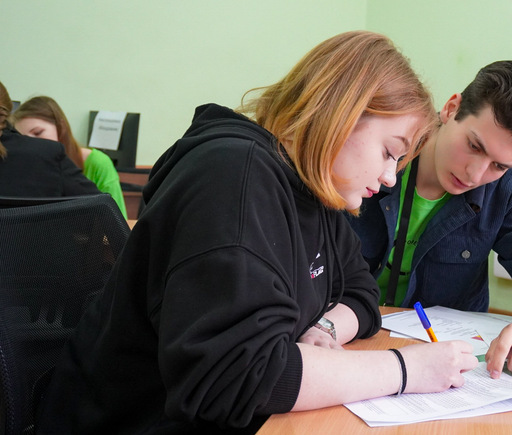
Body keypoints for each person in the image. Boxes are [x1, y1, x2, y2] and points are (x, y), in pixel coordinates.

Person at [35, 31, 479, 434]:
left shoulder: (315, 191)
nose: (389, 177)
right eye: (389, 152)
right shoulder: (235, 178)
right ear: (342, 113)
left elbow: (360, 291)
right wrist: (405, 369)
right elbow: (236, 378)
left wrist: (324, 327)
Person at [348, 60, 512, 379]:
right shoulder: (375, 148)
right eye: (474, 146)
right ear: (451, 109)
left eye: (499, 166)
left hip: (441, 367)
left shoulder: (506, 190)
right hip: (343, 341)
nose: (475, 175)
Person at [12, 96, 128, 218]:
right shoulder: (28, 170)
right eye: (24, 140)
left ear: (61, 127)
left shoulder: (98, 162)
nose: (32, 144)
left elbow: (118, 219)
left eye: (37, 133)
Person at [0, 80, 100, 197]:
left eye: (38, 132)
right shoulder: (48, 155)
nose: (33, 141)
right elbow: (102, 206)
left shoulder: (95, 160)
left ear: (61, 127)